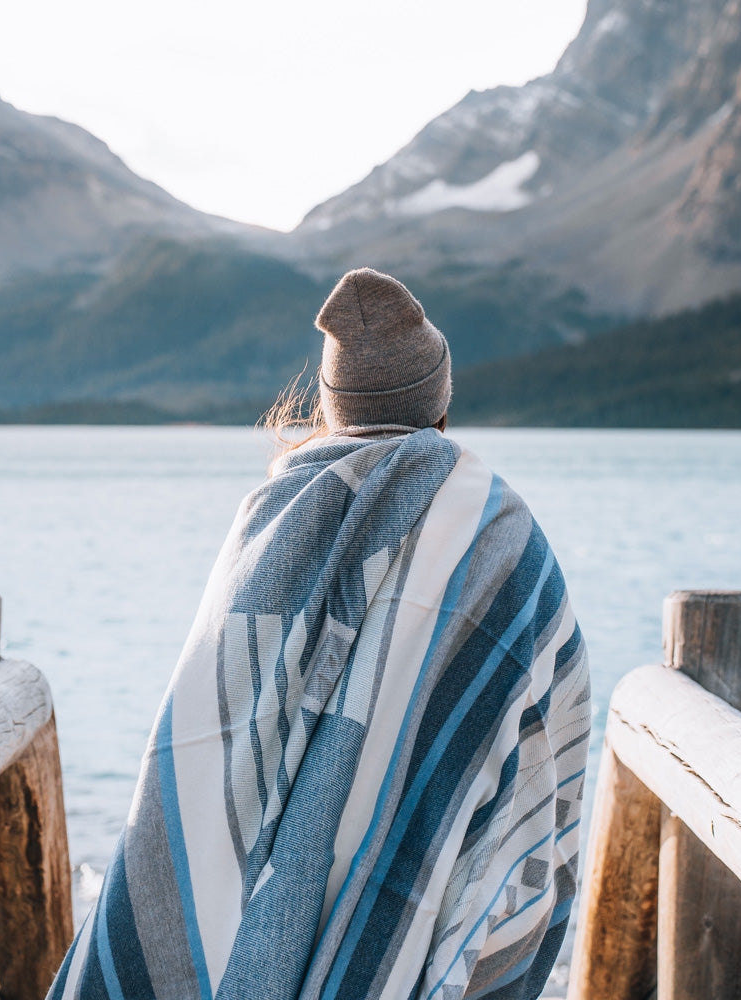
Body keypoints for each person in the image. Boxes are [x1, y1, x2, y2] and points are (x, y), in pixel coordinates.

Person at [47, 268, 591, 1000]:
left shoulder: (267, 517)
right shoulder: (499, 534)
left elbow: (210, 742)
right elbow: (547, 717)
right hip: (413, 904)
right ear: (438, 401)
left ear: (335, 407)